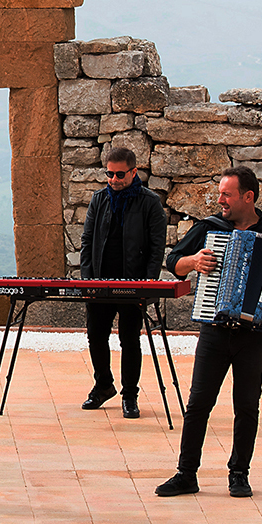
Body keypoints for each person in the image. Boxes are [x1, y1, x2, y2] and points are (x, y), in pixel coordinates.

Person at [155, 167, 262, 499]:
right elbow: (174, 262)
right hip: (214, 330)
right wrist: (194, 261)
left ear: (248, 197)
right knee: (198, 403)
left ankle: (239, 474)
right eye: (220, 193)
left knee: (247, 405)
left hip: (253, 335)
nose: (220, 200)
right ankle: (186, 474)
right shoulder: (210, 228)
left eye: (227, 194)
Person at [76, 146, 166, 418]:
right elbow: (87, 241)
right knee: (96, 336)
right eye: (109, 174)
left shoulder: (149, 202)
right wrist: (88, 281)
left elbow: (156, 248)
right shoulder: (99, 199)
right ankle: (104, 385)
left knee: (129, 339)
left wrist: (147, 283)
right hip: (100, 283)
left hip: (133, 284)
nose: (114, 179)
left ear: (133, 172)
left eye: (119, 174)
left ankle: (130, 395)